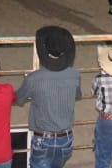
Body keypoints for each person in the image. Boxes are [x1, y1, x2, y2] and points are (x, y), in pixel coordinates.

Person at [16, 26, 81, 168]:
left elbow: (19, 98)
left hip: (43, 139)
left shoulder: (33, 79)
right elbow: (77, 95)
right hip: (66, 138)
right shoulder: (75, 75)